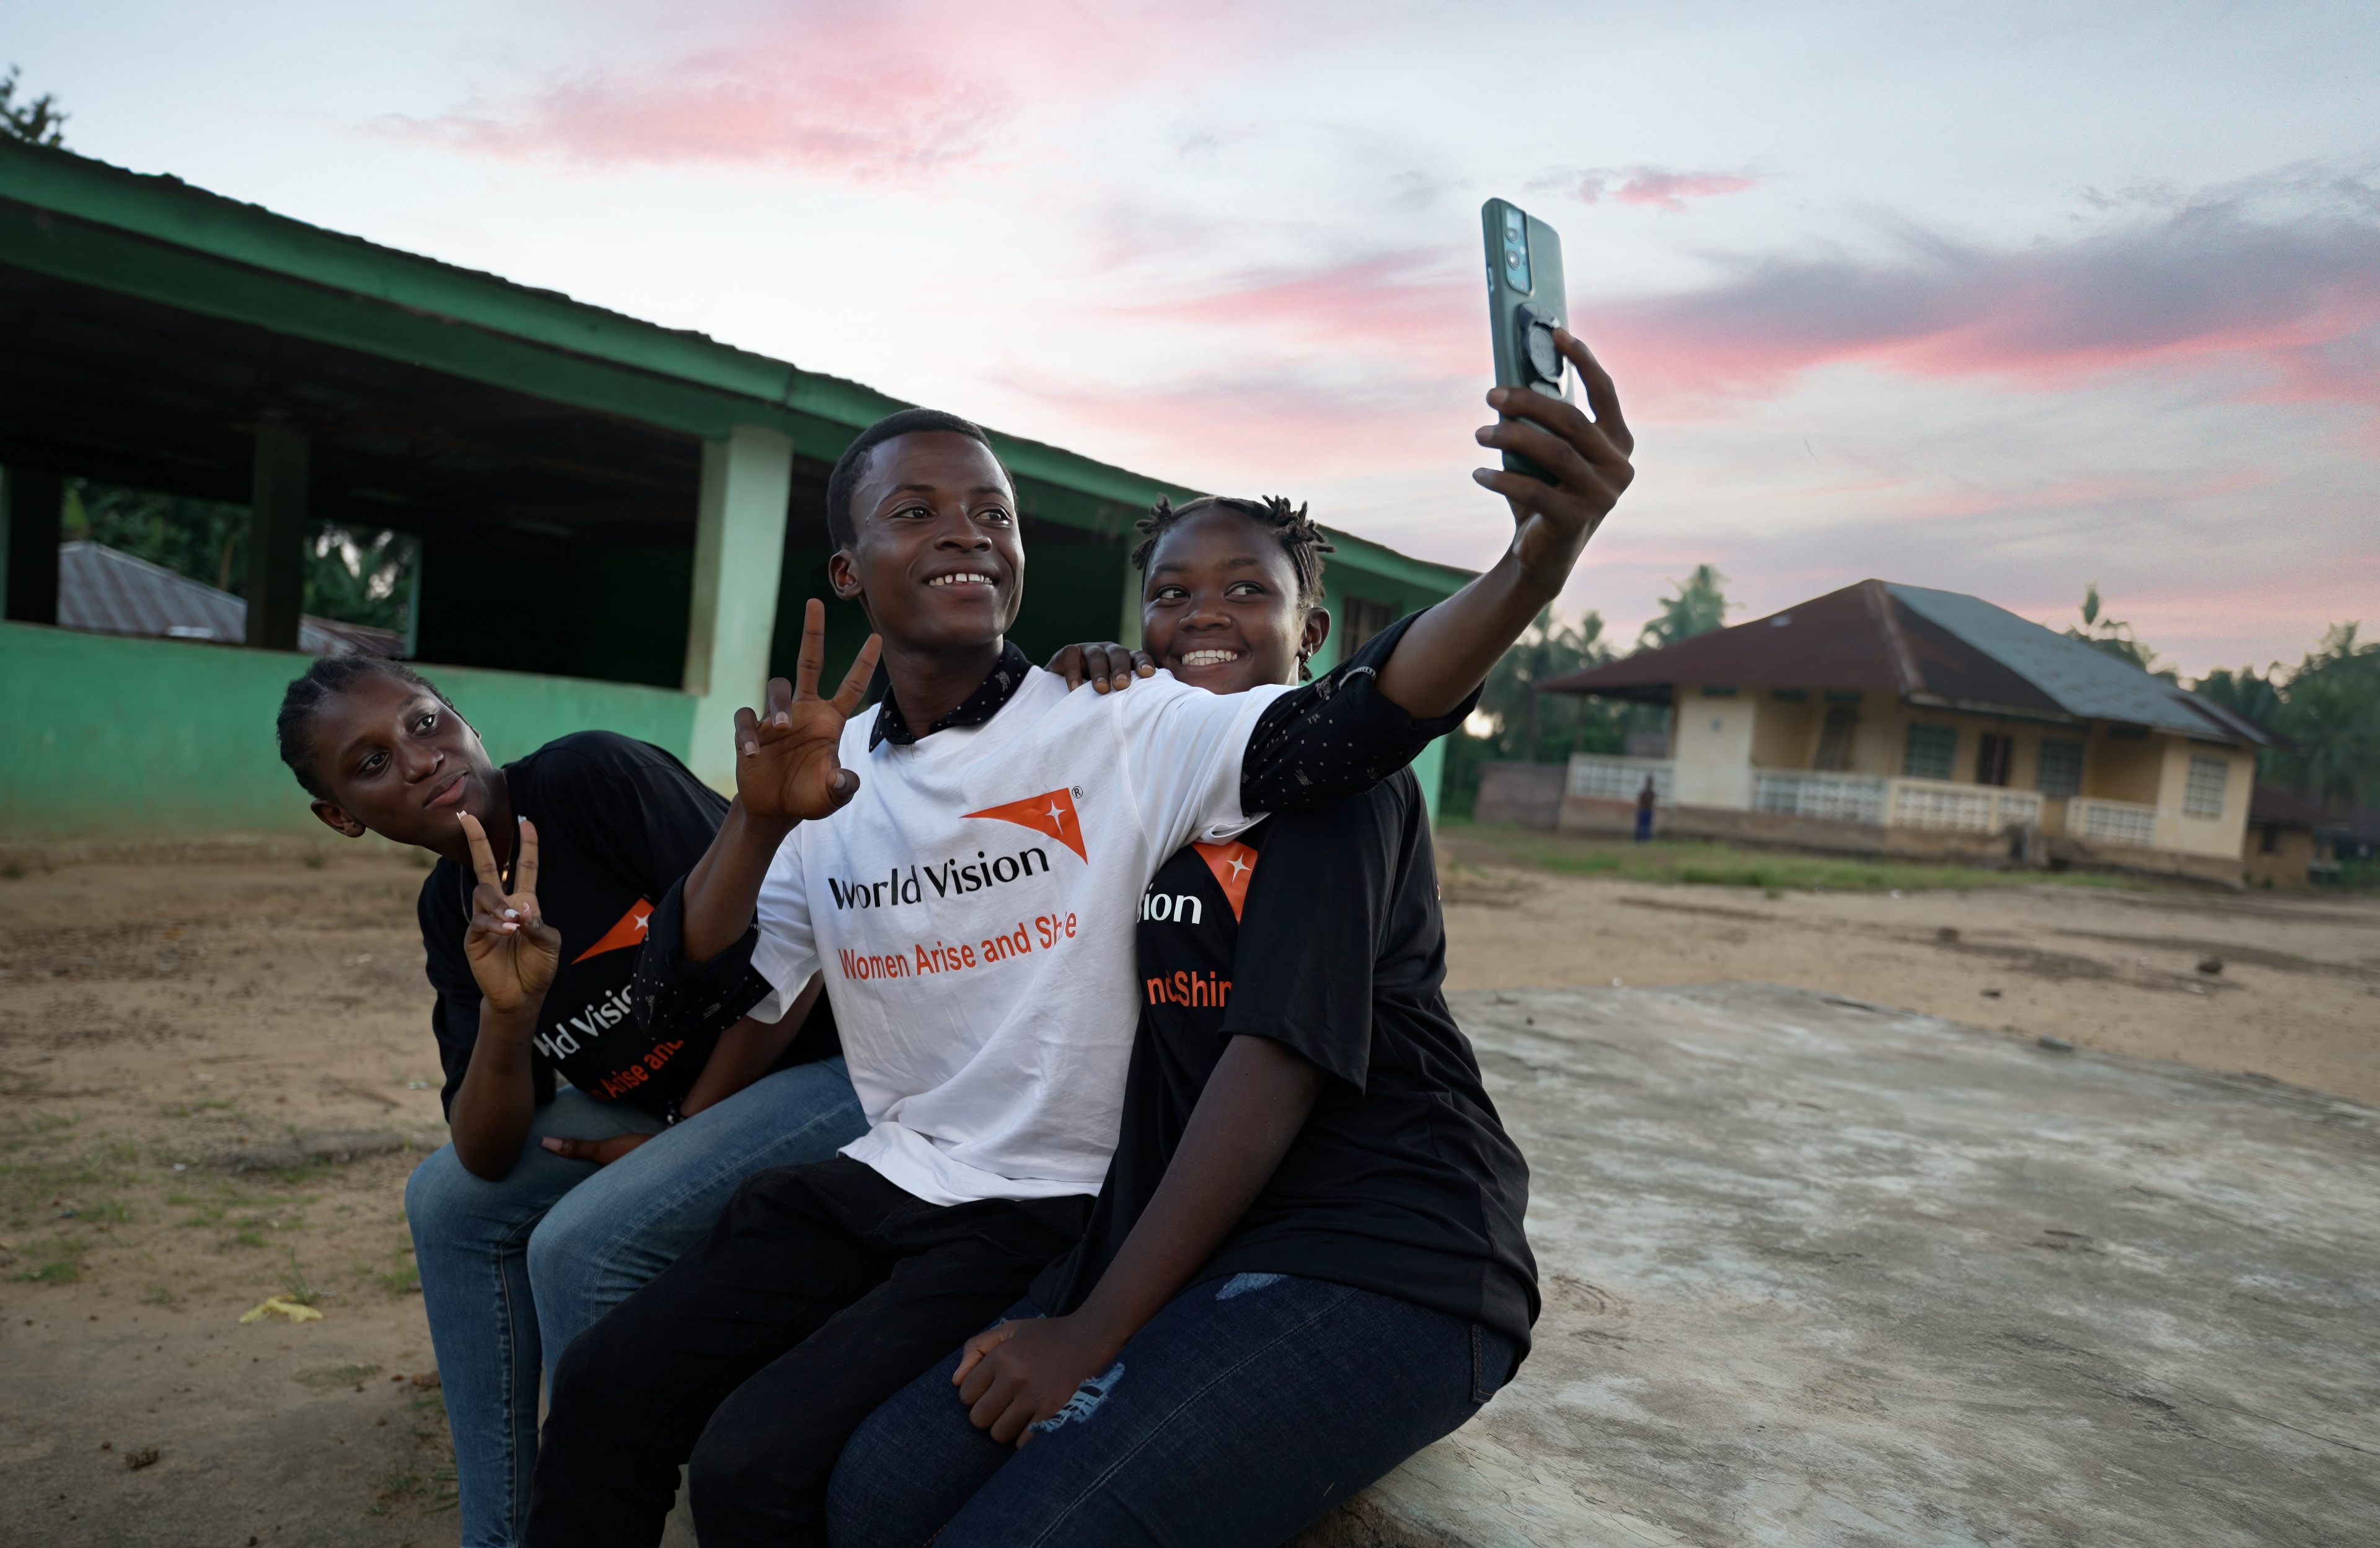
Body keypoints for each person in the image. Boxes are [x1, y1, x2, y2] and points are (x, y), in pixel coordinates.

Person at [525, 327, 1630, 1548]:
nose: (963, 530)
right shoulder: (825, 771)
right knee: (612, 1384)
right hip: (895, 1168)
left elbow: (1354, 724)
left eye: (991, 513)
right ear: (847, 571)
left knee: (761, 1460)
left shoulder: (1125, 728)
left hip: (1064, 1206)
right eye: (916, 510)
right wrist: (754, 823)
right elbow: (682, 1004)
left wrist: (1532, 565)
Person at [827, 492, 1537, 1546]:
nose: (1204, 613)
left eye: (1248, 590)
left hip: (1380, 1249)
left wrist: (1093, 1327)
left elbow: (1273, 1062)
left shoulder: (1340, 788)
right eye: (1171, 594)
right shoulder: (1139, 763)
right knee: (874, 1491)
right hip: (1191, 1232)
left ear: (1313, 633)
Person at [275, 664, 867, 1548]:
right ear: (342, 816)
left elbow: (789, 954)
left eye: (425, 721)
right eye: (369, 763)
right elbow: (482, 1151)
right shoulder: (451, 909)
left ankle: (598, 1521)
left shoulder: (591, 780)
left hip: (828, 1071)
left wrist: (679, 1138)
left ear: (466, 720)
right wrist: (509, 1018)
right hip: (675, 1110)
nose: (417, 758)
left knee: (582, 1242)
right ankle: (507, 1536)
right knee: (445, 1202)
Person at [1636, 772, 1657, 841]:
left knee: (1647, 827)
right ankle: (1638, 840)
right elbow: (1641, 800)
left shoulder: (1651, 793)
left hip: (1648, 811)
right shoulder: (1644, 792)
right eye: (1649, 781)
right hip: (1643, 811)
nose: (1649, 783)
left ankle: (1646, 840)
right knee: (1640, 827)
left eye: (1650, 781)